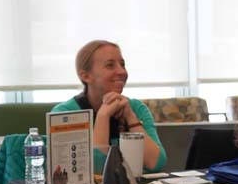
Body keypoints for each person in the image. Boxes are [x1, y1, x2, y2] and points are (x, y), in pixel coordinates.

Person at [51, 39, 166, 173]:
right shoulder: (65, 113)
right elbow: (95, 170)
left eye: (122, 64)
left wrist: (130, 117)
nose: (122, 71)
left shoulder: (136, 108)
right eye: (110, 65)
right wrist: (103, 115)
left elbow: (156, 163)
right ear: (86, 76)